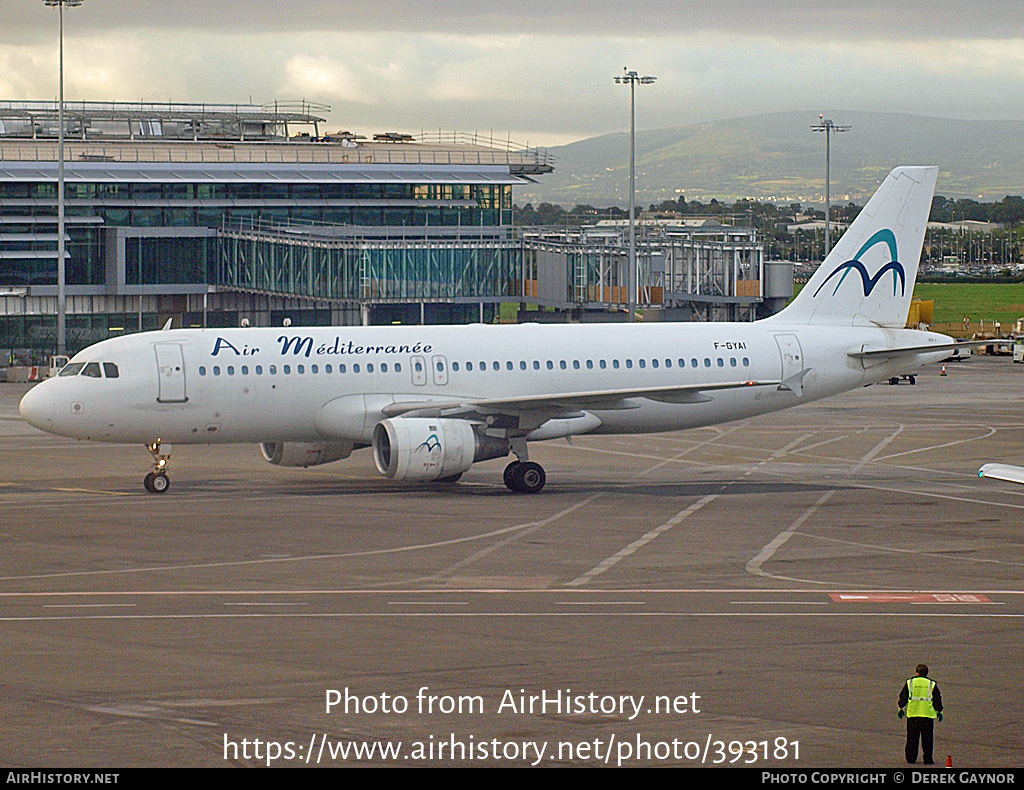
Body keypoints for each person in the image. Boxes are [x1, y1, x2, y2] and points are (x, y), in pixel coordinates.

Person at [898, 664, 943, 764]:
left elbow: (903, 697)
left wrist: (901, 707)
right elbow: (937, 700)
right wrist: (939, 711)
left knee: (912, 738)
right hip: (927, 716)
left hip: (913, 715)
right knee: (927, 739)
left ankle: (911, 758)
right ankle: (927, 759)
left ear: (917, 672)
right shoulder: (931, 684)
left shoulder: (910, 683)